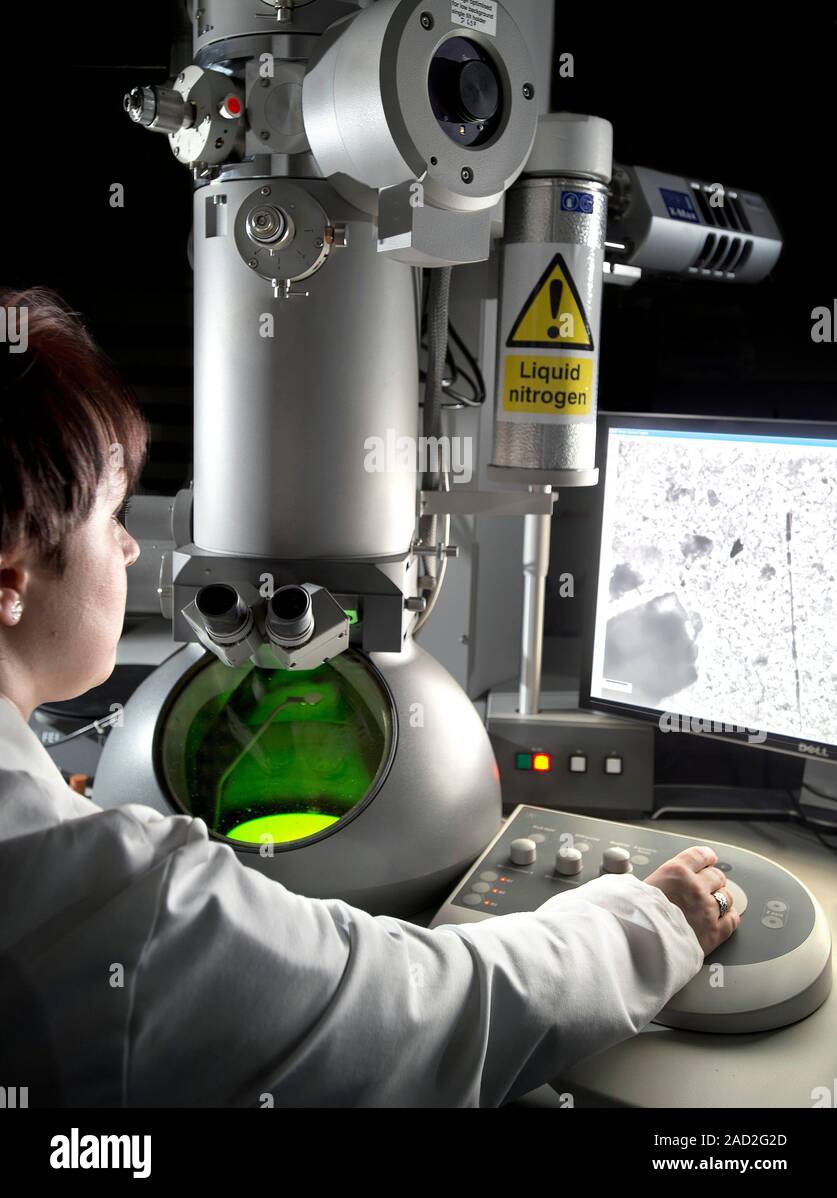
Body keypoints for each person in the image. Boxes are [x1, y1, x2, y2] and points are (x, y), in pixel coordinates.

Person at [0, 286, 739, 1109]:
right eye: (110, 518)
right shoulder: (100, 889)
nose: (135, 546)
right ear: (10, 578)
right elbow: (419, 1016)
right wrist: (646, 925)